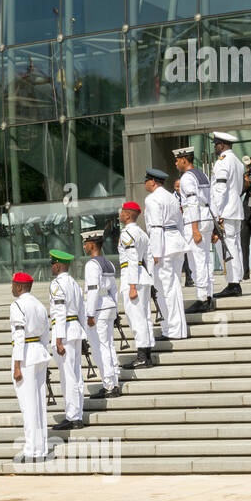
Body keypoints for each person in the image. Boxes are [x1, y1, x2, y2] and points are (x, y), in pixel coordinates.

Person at [9, 273, 51, 463]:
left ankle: (31, 450)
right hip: (40, 352)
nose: (11, 287)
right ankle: (41, 449)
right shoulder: (40, 305)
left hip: (25, 355)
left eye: (13, 284)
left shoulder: (17, 305)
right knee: (40, 404)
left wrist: (17, 365)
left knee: (28, 405)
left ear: (19, 287)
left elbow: (19, 337)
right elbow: (46, 335)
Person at [144, 168, 190, 341]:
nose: (145, 184)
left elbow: (155, 227)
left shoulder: (152, 199)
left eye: (147, 180)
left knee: (166, 289)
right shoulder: (172, 197)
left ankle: (172, 330)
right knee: (173, 287)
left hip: (163, 246)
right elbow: (180, 223)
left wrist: (155, 252)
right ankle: (176, 328)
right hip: (176, 243)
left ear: (153, 182)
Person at [174, 146, 216, 313]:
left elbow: (192, 203)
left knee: (196, 261)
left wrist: (194, 228)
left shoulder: (187, 178)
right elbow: (211, 199)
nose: (176, 163)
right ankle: (209, 295)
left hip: (195, 220)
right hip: (206, 217)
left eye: (177, 160)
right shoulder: (202, 174)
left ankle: (202, 298)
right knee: (206, 259)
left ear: (184, 159)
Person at [47, 251, 86, 431]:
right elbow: (82, 311)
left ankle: (72, 416)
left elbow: (60, 312)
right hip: (76, 330)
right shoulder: (74, 284)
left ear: (59, 265)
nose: (51, 266)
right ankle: (77, 415)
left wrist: (59, 339)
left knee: (68, 376)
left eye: (53, 263)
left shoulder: (57, 284)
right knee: (76, 375)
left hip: (65, 333)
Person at [81, 230, 121, 400]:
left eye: (86, 243)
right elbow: (114, 289)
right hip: (109, 305)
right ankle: (114, 380)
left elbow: (93, 291)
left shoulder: (92, 265)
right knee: (109, 345)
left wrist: (89, 314)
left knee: (100, 347)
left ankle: (109, 385)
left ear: (92, 245)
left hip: (97, 309)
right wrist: (116, 309)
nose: (84, 246)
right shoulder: (109, 263)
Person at [117, 201, 156, 369]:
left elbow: (133, 260)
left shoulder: (127, 233)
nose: (120, 215)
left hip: (132, 277)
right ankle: (147, 354)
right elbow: (149, 258)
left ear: (127, 215)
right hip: (144, 277)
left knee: (136, 318)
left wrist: (132, 286)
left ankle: (141, 355)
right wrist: (151, 280)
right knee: (145, 317)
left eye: (122, 212)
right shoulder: (141, 233)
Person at [210, 131, 246, 298]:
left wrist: (216, 214)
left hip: (225, 211)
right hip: (235, 210)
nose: (215, 148)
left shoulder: (222, 162)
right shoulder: (238, 162)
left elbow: (220, 190)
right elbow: (238, 190)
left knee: (228, 248)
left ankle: (233, 284)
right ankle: (235, 281)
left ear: (222, 145)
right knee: (235, 246)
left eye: (216, 144)